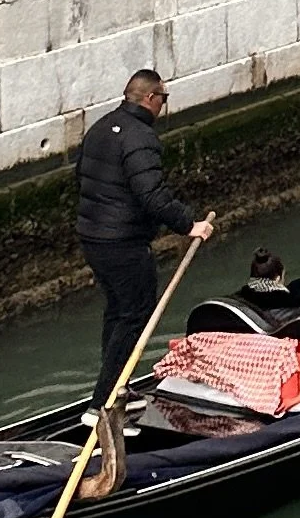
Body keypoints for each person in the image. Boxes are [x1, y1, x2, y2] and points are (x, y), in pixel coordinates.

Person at [73, 68, 213, 407]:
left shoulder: (101, 127)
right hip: (122, 243)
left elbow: (82, 177)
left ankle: (116, 388)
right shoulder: (140, 137)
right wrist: (188, 224)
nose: (164, 105)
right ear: (150, 98)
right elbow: (151, 195)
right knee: (135, 315)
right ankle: (103, 402)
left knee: (118, 313)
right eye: (163, 98)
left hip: (92, 238)